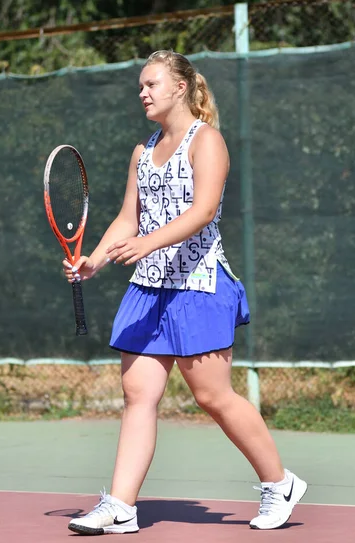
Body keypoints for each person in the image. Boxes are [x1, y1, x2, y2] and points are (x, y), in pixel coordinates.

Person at [62, 50, 307, 535]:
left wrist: (145, 243)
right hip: (149, 289)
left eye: (151, 84)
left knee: (213, 397)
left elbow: (203, 211)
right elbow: (128, 219)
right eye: (139, 87)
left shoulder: (207, 141)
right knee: (138, 394)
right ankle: (121, 504)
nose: (143, 93)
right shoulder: (142, 151)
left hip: (199, 285)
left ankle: (279, 483)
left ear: (179, 87)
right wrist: (96, 260)